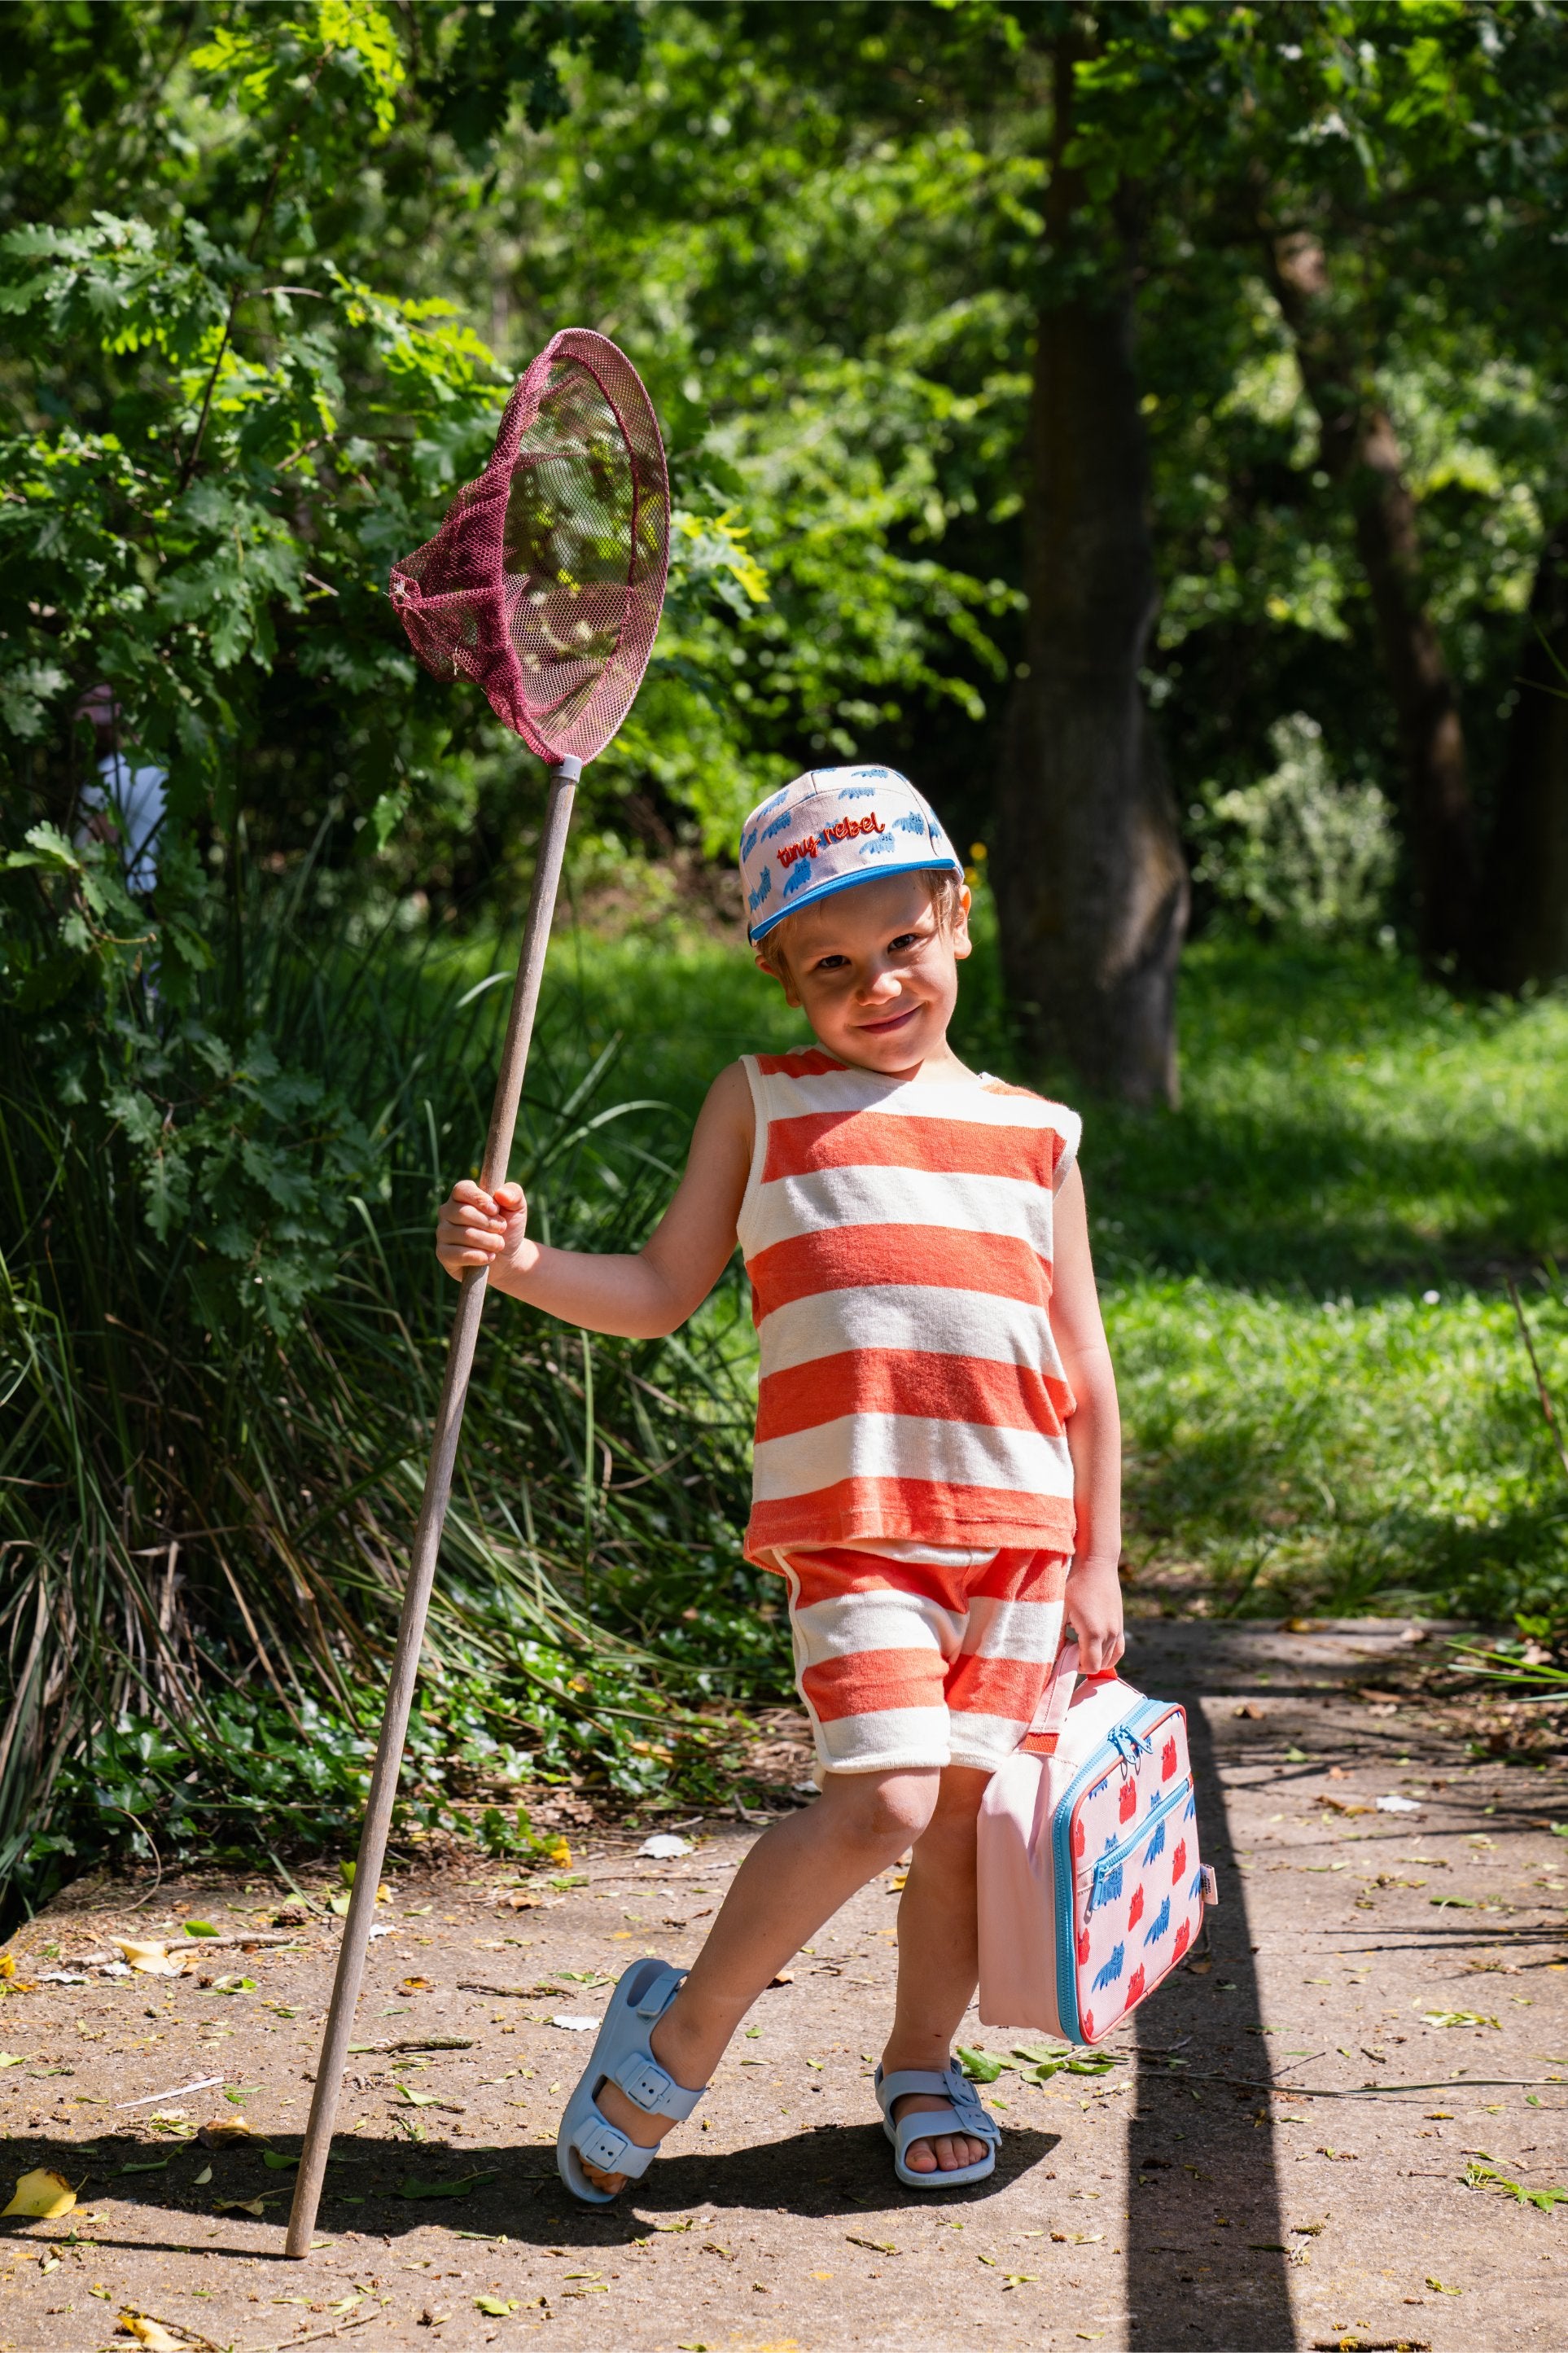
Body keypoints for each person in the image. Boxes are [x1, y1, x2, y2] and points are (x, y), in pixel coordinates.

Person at [434, 765, 1124, 2203]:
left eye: (903, 943)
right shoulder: (763, 1103)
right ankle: (681, 2030)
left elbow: (1082, 1367)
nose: (878, 984)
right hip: (855, 1530)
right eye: (832, 965)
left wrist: (1096, 1557)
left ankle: (921, 2059)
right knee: (880, 1801)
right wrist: (521, 1261)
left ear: (958, 917)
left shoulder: (1037, 1133)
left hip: (1017, 1539)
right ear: (781, 975)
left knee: (956, 1825)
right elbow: (659, 1288)